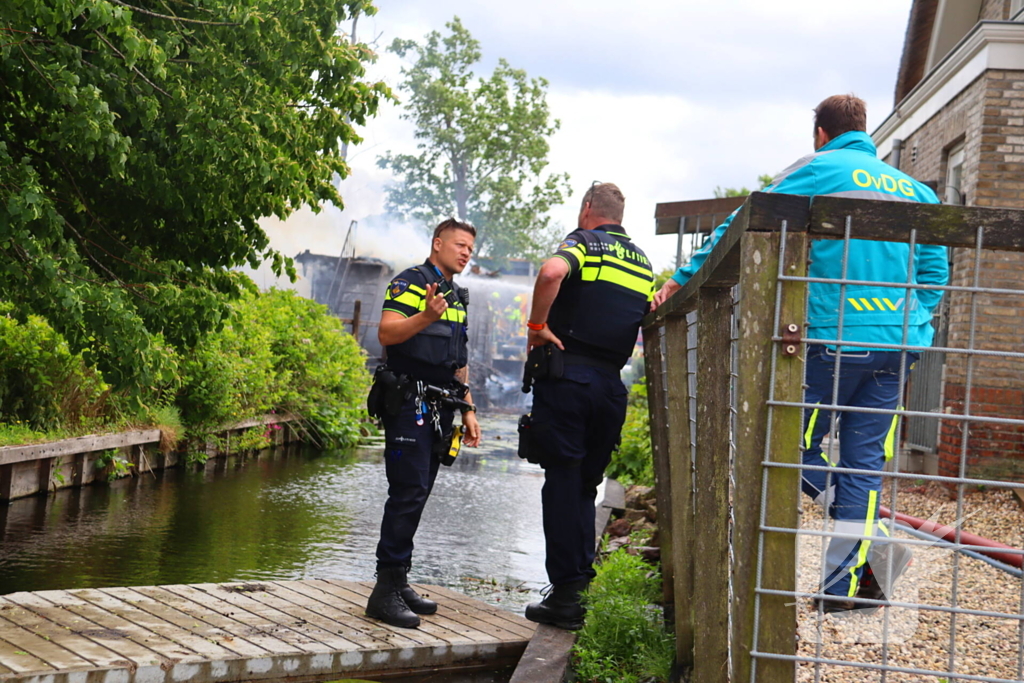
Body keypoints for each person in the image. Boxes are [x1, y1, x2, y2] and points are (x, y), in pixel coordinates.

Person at [653, 95, 948, 614]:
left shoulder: (819, 170)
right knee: (862, 467)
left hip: (832, 339)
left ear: (820, 133)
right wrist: (911, 321)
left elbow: (745, 220)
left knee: (783, 447)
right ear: (865, 132)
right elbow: (934, 272)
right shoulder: (915, 190)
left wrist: (680, 280)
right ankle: (840, 589)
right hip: (897, 346)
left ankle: (874, 538)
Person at [521, 182, 655, 629]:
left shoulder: (584, 243)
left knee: (561, 484)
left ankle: (565, 598)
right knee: (583, 486)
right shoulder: (642, 261)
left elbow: (550, 274)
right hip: (610, 390)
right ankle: (577, 587)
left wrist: (538, 325)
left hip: (569, 380)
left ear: (587, 208)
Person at [365, 218, 482, 628]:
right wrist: (426, 317)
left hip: (441, 407)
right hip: (408, 403)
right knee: (407, 491)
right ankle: (383, 592)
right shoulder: (411, 283)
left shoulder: (457, 295)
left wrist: (467, 408)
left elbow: (458, 361)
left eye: (471, 247)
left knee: (419, 492)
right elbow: (387, 333)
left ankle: (399, 581)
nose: (466, 252)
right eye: (459, 245)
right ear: (437, 244)